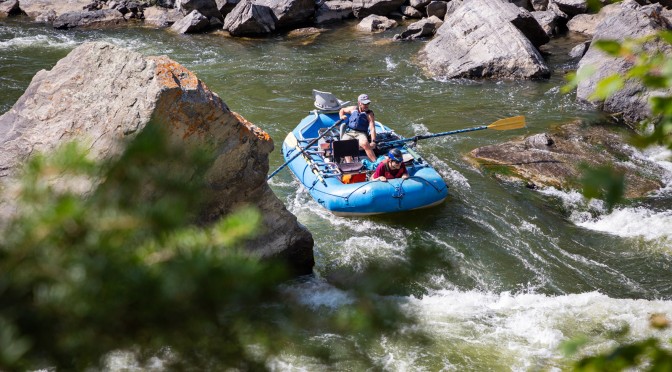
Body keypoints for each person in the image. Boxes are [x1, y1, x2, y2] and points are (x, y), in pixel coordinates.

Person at [339, 94, 377, 162]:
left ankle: (375, 162)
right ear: (359, 103)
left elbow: (372, 128)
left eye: (368, 103)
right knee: (344, 144)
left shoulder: (369, 114)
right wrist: (341, 116)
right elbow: (342, 110)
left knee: (365, 143)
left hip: (361, 133)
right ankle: (349, 164)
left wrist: (373, 141)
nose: (367, 105)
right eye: (364, 104)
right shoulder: (353, 109)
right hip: (350, 132)